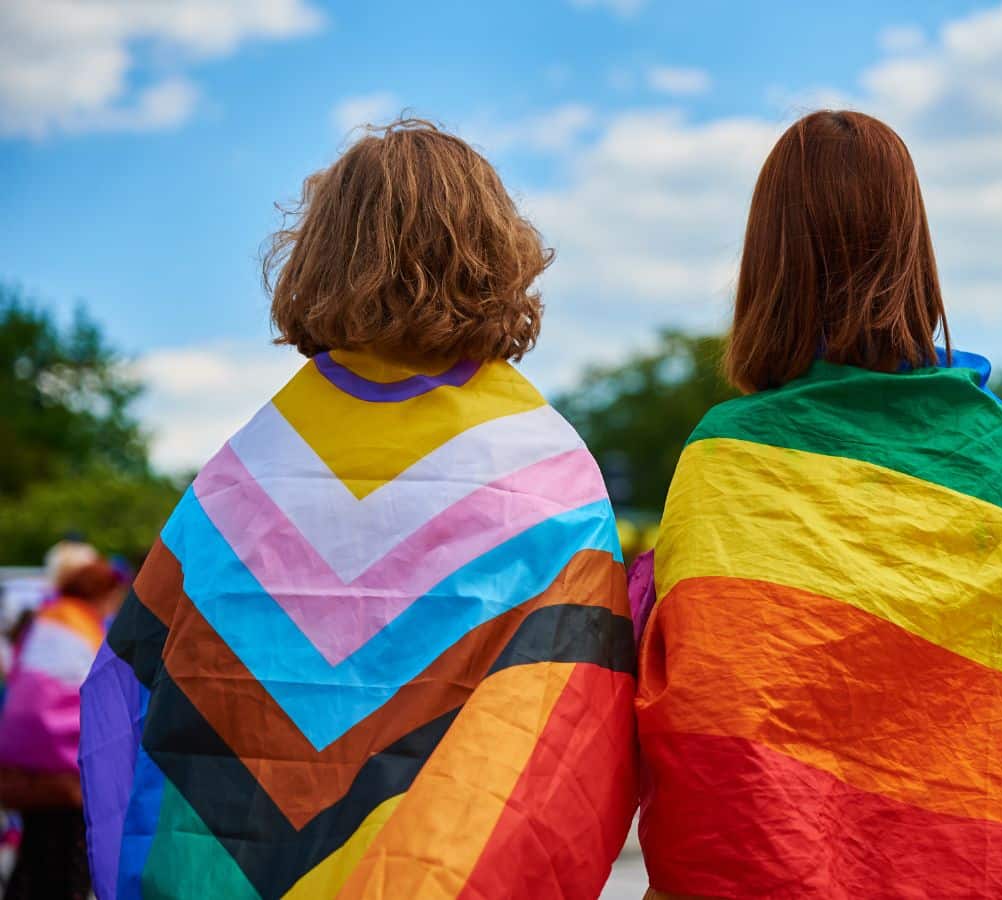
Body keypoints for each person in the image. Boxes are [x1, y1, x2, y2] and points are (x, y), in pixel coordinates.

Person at [79, 119, 636, 900]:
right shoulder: (547, 474)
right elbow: (571, 734)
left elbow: (126, 695)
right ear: (497, 256)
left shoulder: (238, 478)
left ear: (325, 256)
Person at [635, 110, 1002, 898]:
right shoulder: (997, 456)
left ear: (767, 261)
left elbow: (711, 693)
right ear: (915, 249)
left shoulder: (731, 454)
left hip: (756, 870)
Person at [0, 559, 127, 900]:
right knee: (71, 859)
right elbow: (101, 689)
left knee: (33, 854)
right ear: (103, 593)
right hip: (69, 766)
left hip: (24, 764)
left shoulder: (46, 618)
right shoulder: (83, 625)